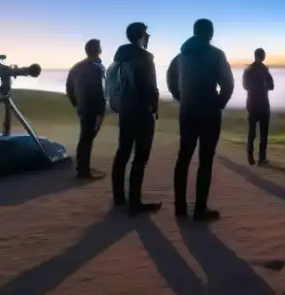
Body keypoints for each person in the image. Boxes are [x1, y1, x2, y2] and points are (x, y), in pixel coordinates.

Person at [167, 18, 235, 221]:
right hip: (209, 114)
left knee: (184, 157)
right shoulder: (216, 55)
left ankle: (180, 207)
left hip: (187, 112)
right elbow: (228, 84)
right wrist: (219, 102)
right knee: (205, 160)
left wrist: (183, 98)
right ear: (210, 33)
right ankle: (200, 209)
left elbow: (171, 82)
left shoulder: (180, 57)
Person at [110, 23, 163, 214]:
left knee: (123, 151)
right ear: (141, 35)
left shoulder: (121, 58)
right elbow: (149, 86)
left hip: (125, 110)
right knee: (140, 156)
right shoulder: (144, 57)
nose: (148, 36)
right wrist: (154, 107)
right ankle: (135, 202)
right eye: (146, 33)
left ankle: (118, 198)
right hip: (141, 111)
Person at [65, 38, 107, 180]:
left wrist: (76, 103)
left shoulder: (77, 67)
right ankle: (83, 170)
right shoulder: (97, 67)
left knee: (86, 137)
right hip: (93, 108)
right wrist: (101, 111)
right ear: (98, 50)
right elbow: (100, 90)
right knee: (87, 138)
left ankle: (83, 166)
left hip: (83, 107)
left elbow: (69, 87)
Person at [242, 47, 274, 165]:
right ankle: (262, 157)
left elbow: (245, 86)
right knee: (263, 132)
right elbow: (271, 86)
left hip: (251, 103)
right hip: (263, 104)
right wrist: (264, 86)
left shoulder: (248, 69)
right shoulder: (265, 70)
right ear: (263, 56)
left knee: (252, 131)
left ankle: (250, 155)